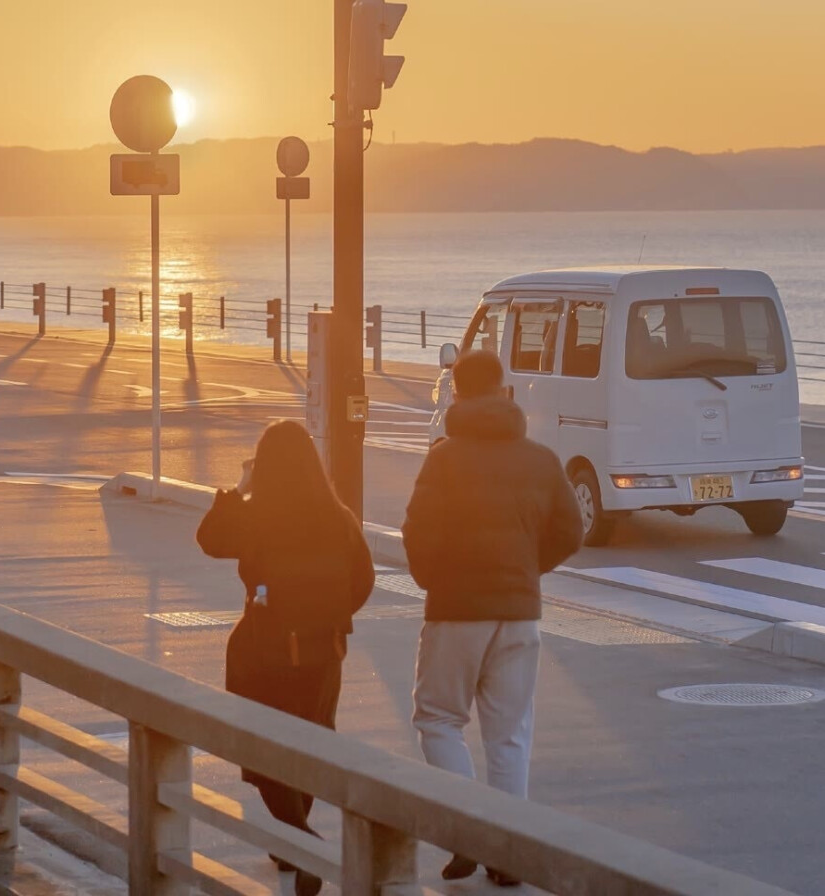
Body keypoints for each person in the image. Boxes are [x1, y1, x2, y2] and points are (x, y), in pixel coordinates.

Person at [402, 349, 583, 887]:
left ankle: (469, 833)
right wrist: (528, 570)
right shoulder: (541, 458)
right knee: (509, 736)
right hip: (520, 611)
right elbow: (570, 532)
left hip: (457, 610)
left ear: (456, 391)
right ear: (504, 391)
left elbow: (417, 533)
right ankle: (508, 854)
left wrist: (435, 579)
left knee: (437, 719)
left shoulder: (444, 457)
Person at [196, 420, 374, 896]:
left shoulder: (259, 514)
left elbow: (209, 538)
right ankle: (294, 842)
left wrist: (239, 487)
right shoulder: (339, 517)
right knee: (310, 742)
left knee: (261, 747)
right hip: (323, 651)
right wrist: (326, 615)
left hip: (263, 651)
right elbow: (364, 582)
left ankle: (300, 841)